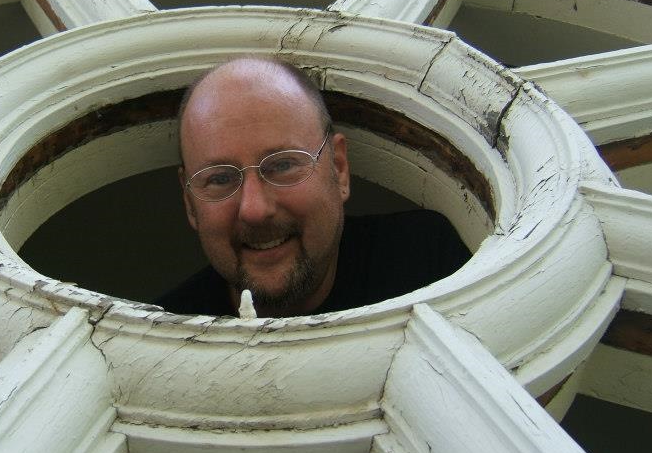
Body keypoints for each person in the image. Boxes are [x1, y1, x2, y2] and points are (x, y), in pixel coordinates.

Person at [157, 57, 469, 318]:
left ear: (339, 169)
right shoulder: (166, 335)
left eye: (282, 165)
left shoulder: (427, 262)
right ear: (189, 203)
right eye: (220, 179)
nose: (255, 210)